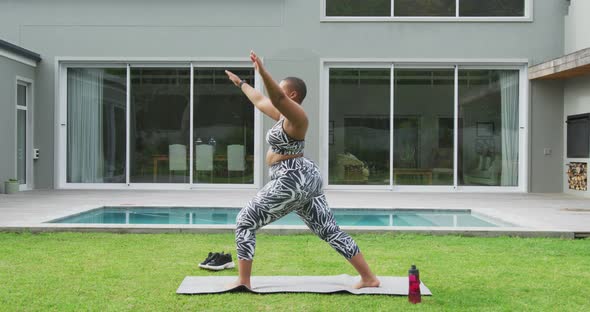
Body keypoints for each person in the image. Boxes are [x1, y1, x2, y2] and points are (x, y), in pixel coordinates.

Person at [224, 51, 380, 290]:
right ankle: (369, 278)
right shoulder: (282, 117)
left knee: (245, 220)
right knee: (329, 230)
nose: (274, 90)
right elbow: (260, 99)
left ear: (292, 95)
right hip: (303, 179)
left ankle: (243, 281)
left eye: (281, 88)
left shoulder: (299, 118)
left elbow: (275, 97)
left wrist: (262, 71)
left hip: (292, 180)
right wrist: (242, 83)